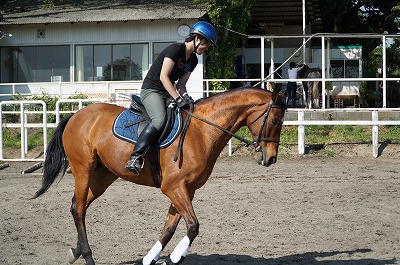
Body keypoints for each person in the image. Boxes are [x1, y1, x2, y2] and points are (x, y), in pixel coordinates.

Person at [125, 21, 218, 174]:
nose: (206, 48)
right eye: (206, 44)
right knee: (159, 119)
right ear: (197, 39)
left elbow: (181, 85)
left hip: (167, 93)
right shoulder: (175, 49)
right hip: (152, 90)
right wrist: (177, 98)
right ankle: (135, 156)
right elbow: (164, 77)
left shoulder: (193, 60)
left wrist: (186, 98)